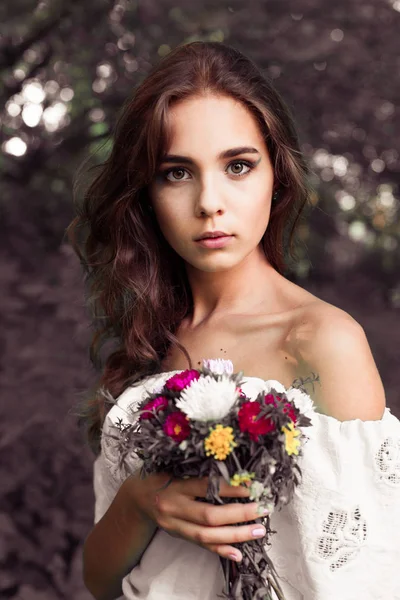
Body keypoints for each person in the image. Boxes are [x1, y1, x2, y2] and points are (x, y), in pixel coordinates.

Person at [67, 41, 400, 600]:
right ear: (146, 194)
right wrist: (141, 499)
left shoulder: (321, 342)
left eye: (238, 166)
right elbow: (101, 579)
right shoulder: (155, 336)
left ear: (278, 174)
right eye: (176, 173)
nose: (209, 202)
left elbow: (370, 578)